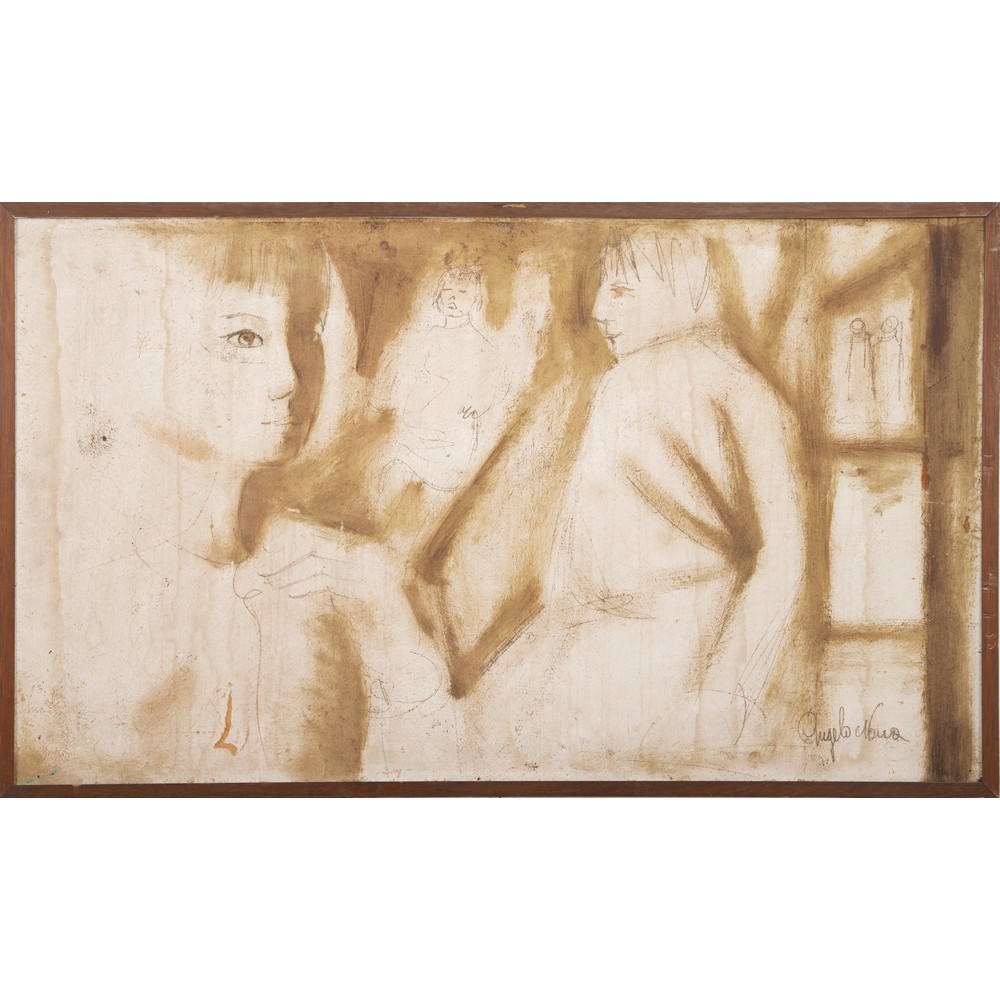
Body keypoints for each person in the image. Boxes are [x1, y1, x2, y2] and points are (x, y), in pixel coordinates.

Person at [35, 223, 456, 783]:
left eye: (305, 332)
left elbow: (460, 778)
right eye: (244, 338)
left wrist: (388, 624)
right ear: (143, 343)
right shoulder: (65, 587)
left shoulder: (344, 572)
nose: (290, 378)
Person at [463, 226, 807, 777]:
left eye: (622, 290)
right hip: (580, 641)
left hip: (672, 652)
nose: (600, 310)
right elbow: (572, 559)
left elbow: (784, 555)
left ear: (683, 285)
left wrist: (722, 696)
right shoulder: (618, 386)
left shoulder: (736, 388)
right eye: (603, 289)